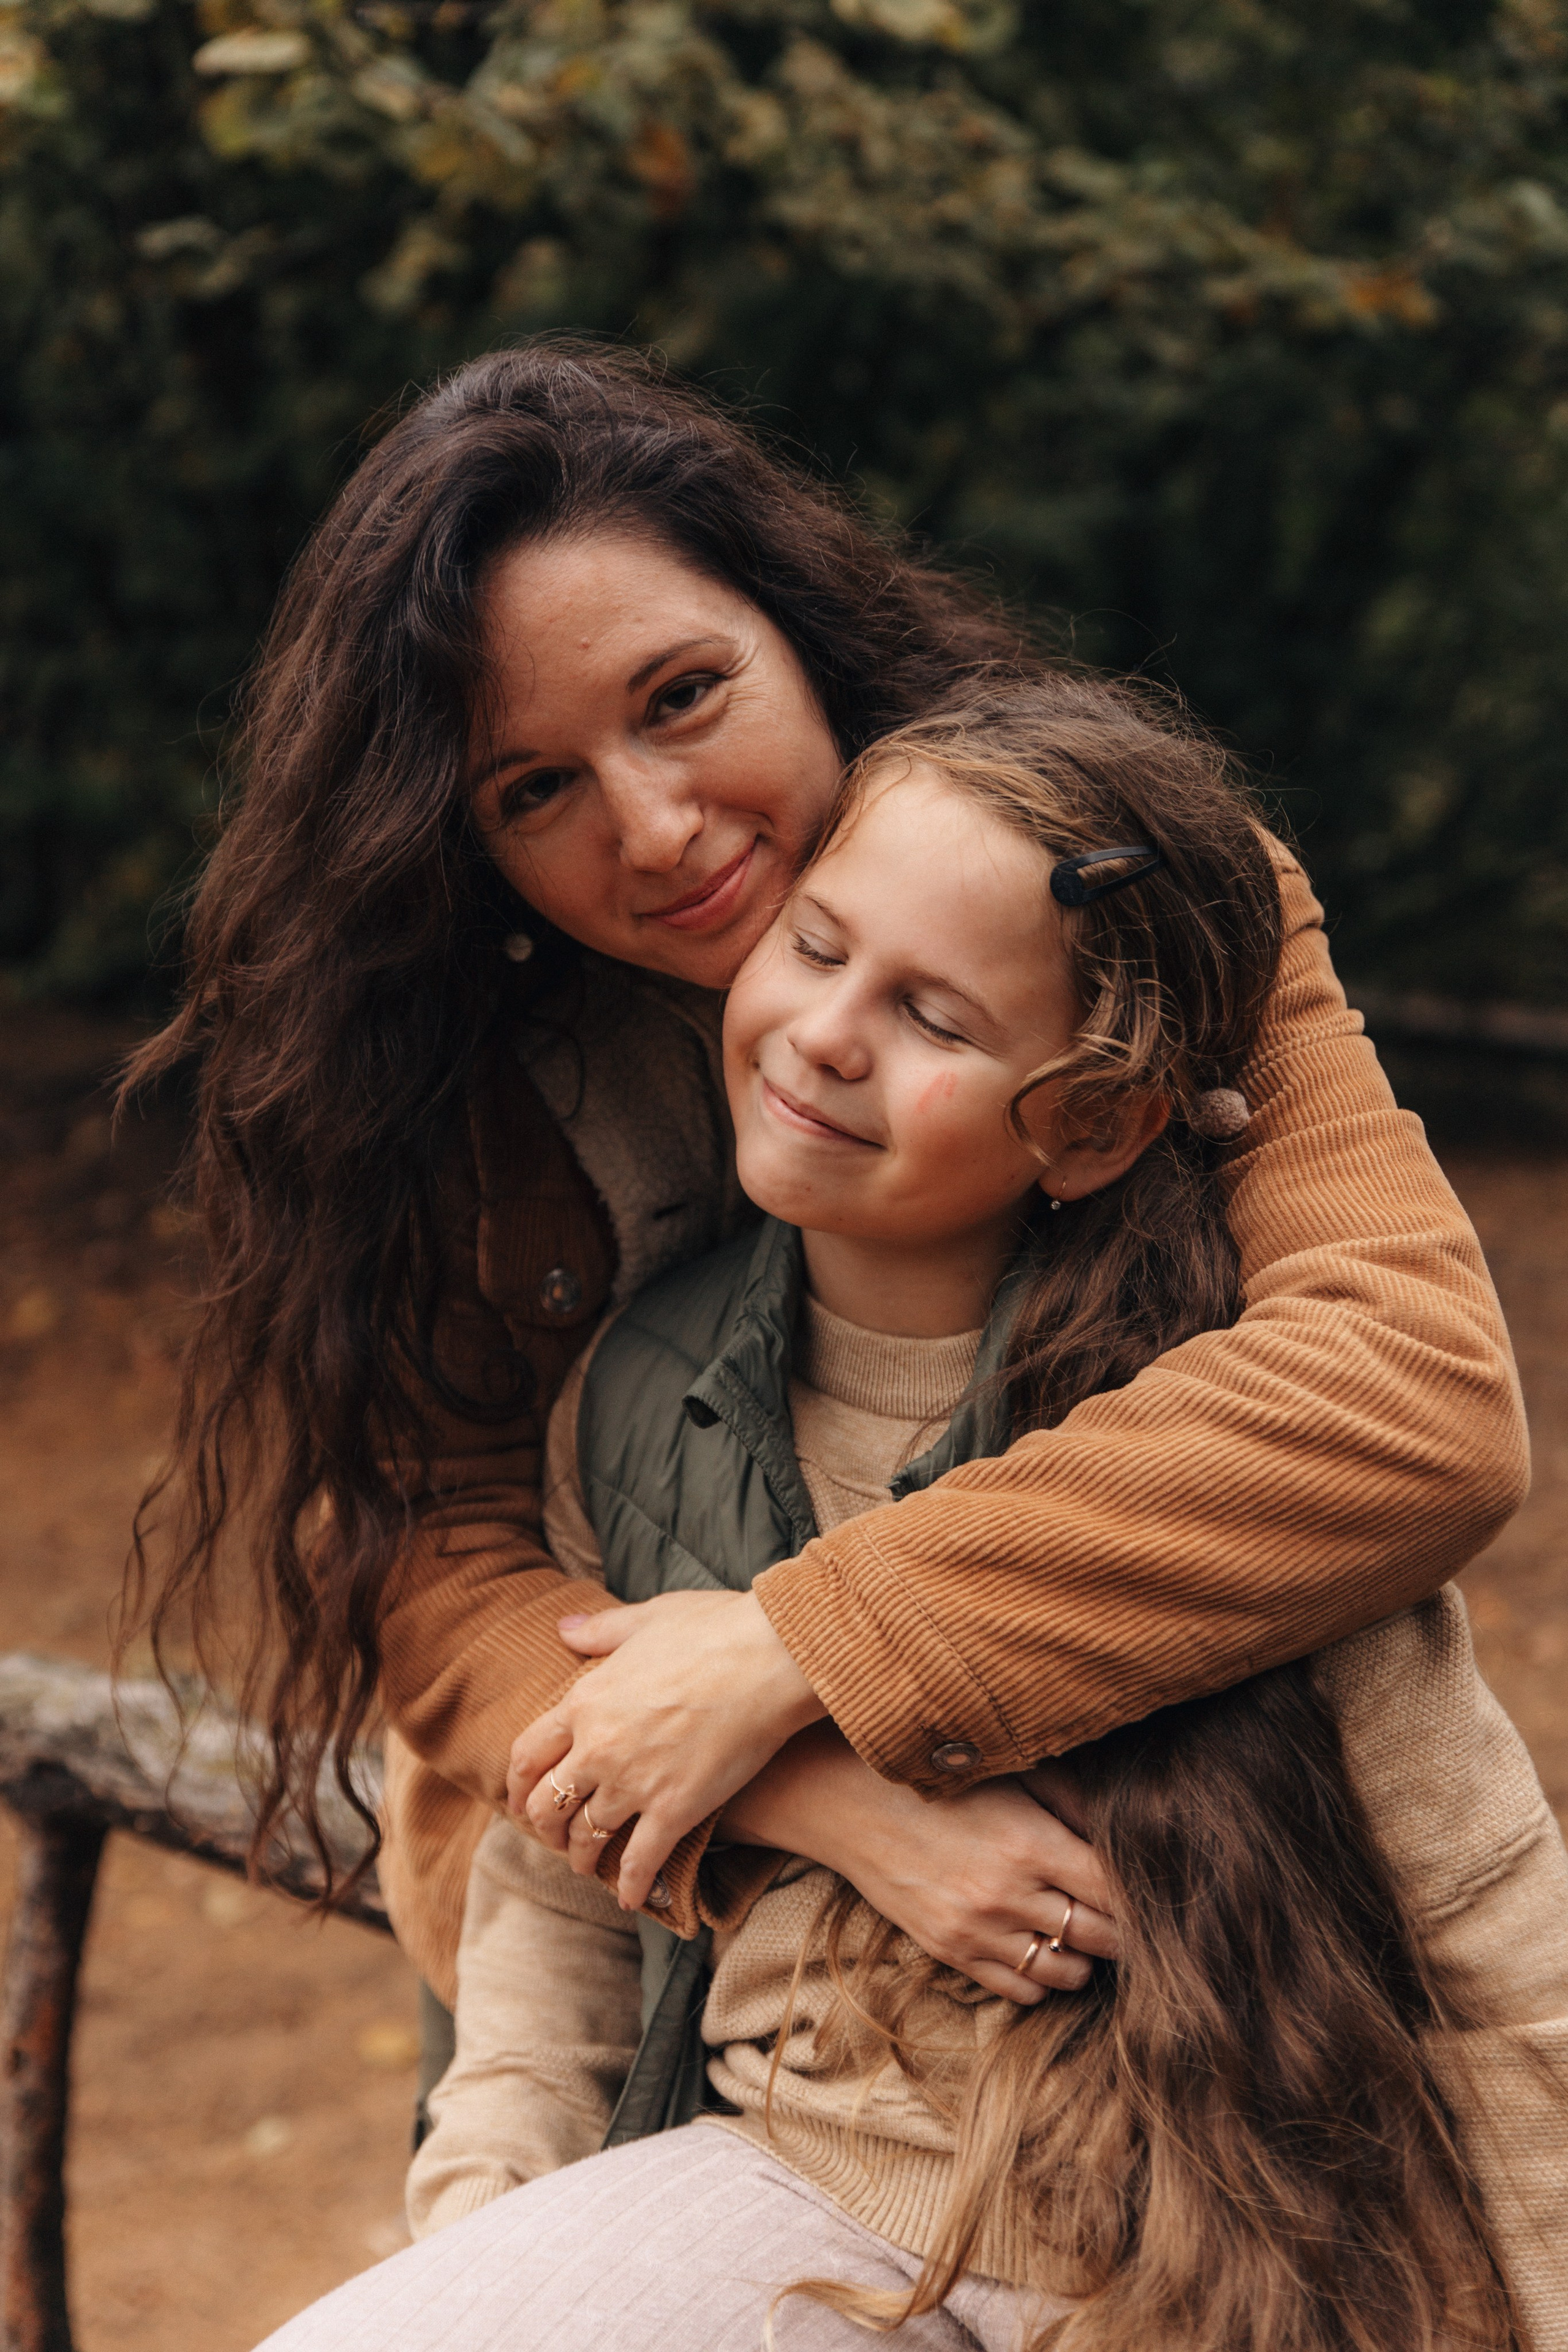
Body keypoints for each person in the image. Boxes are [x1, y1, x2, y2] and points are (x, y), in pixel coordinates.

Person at [123, 341, 1526, 2075]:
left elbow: (1415, 1394)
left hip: (1148, 1893)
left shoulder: (1140, 895)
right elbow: (432, 1559)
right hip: (624, 1918)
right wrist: (810, 1791)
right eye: (533, 792)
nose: (654, 830)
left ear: (799, 624)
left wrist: (810, 1645)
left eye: (683, 696)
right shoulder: (443, 1074)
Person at [258, 682, 1562, 2351]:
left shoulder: (1216, 1433)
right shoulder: (639, 1395)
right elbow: (560, 1914)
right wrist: (486, 2234)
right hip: (800, 2193)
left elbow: (1492, 1945)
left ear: (1091, 1125)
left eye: (935, 1018)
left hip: (1225, 2241)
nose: (824, 1033)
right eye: (813, 948)